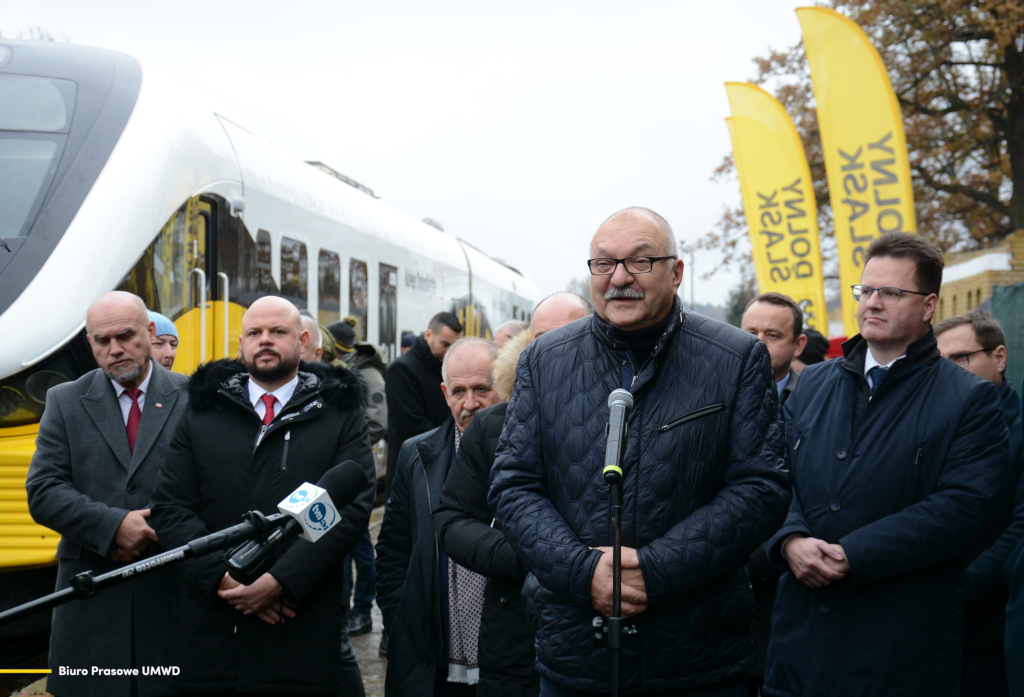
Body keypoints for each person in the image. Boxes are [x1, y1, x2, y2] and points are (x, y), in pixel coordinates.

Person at [489, 207, 792, 696]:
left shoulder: (735, 358)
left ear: (676, 272)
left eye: (640, 261)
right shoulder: (544, 360)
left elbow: (762, 488)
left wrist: (658, 570)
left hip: (695, 656)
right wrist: (582, 572)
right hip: (575, 652)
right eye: (604, 263)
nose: (619, 278)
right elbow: (513, 485)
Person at [763, 233, 1014, 697]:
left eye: (892, 292)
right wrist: (789, 539)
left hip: (900, 652)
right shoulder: (813, 384)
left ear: (928, 305)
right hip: (801, 645)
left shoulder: (969, 398)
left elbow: (967, 508)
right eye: (866, 290)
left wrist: (854, 555)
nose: (873, 303)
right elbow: (771, 477)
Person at [149, 296, 375, 697]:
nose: (265, 340)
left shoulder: (339, 414)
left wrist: (280, 580)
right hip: (212, 630)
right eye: (255, 332)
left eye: (278, 331)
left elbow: (350, 506)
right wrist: (225, 579)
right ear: (241, 344)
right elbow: (172, 507)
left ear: (302, 341)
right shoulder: (201, 412)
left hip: (299, 626)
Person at [26, 292, 189, 697]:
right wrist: (113, 526)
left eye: (125, 336)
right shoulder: (64, 401)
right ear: (90, 343)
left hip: (174, 596)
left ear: (149, 332)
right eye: (102, 340)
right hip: (91, 599)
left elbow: (214, 485)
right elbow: (43, 490)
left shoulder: (192, 397)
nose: (114, 349)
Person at [434, 292, 592, 697]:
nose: (556, 350)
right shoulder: (491, 426)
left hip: (599, 630)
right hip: (514, 636)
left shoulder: (630, 410)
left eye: (571, 336)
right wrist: (536, 556)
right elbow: (452, 521)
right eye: (542, 339)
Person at [376, 338, 501, 697]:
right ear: (445, 394)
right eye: (459, 391)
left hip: (505, 655)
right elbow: (394, 549)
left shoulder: (529, 451)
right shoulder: (417, 454)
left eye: (482, 389)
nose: (470, 403)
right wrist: (402, 621)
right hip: (431, 656)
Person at [935, 310, 1024, 697]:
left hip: (991, 623)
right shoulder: (934, 428)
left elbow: (1018, 529)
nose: (949, 370)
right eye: (940, 362)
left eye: (961, 358)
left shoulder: (1018, 432)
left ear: (999, 357)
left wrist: (958, 588)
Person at [738, 292, 806, 696]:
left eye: (773, 335)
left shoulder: (814, 401)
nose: (759, 343)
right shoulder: (712, 394)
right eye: (751, 332)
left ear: (798, 345)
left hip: (783, 584)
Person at [326, 316, 388, 637]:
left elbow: (378, 422)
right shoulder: (350, 369)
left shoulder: (369, 376)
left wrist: (349, 443)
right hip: (343, 471)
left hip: (355, 471)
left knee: (360, 545)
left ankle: (362, 610)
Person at [384, 311, 463, 494]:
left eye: (454, 346)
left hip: (436, 465)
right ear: (428, 335)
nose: (449, 352)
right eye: (445, 344)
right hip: (412, 469)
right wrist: (452, 442)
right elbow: (410, 425)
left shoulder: (441, 368)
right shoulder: (401, 369)